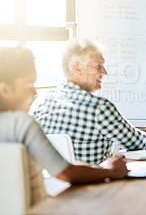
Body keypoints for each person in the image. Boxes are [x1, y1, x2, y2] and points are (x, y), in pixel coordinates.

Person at [0, 46, 129, 207]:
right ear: (4, 89)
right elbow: (66, 173)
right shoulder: (21, 125)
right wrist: (111, 171)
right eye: (28, 86)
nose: (34, 93)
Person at [32, 39, 146, 165]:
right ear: (78, 68)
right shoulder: (98, 108)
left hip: (52, 184)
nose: (104, 72)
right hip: (94, 182)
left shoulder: (40, 104)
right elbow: (142, 143)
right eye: (98, 66)